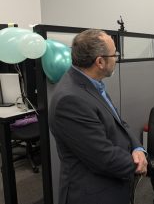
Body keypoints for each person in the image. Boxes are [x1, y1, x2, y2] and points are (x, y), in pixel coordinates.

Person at [48, 29, 147, 204]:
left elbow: (119, 123)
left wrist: (137, 148)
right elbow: (103, 157)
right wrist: (138, 165)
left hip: (112, 184)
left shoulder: (92, 84)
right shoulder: (70, 100)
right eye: (114, 54)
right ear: (100, 62)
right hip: (93, 193)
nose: (116, 59)